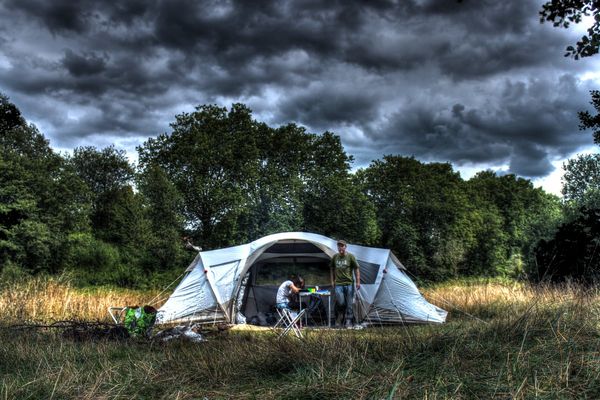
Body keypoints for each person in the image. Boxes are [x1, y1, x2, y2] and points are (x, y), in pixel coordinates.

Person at [330, 239, 361, 328]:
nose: (340, 248)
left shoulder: (351, 257)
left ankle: (348, 320)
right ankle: (340, 316)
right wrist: (332, 280)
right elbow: (331, 268)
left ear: (345, 247)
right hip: (338, 284)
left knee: (349, 303)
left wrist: (358, 281)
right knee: (341, 302)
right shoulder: (335, 257)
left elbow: (356, 268)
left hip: (349, 283)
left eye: (342, 246)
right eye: (339, 246)